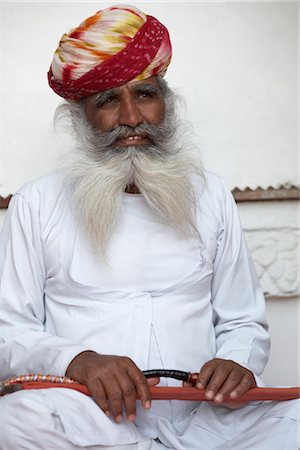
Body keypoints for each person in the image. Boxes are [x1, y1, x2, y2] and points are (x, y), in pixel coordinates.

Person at [0, 5, 298, 450]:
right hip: (91, 419)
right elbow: (9, 329)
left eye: (144, 94)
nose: (132, 118)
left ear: (166, 103)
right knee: (15, 418)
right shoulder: (37, 203)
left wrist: (237, 362)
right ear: (82, 118)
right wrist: (79, 360)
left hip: (205, 420)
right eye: (107, 101)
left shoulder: (211, 195)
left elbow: (242, 320)